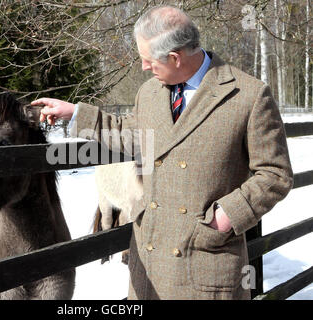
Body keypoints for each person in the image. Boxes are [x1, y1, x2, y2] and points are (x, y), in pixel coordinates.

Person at [31, 5, 293, 300]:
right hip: (150, 259)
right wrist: (75, 113)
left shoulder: (248, 95)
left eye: (148, 59)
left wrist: (227, 216)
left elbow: (275, 174)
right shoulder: (150, 92)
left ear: (175, 57)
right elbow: (130, 135)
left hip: (206, 257)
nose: (143, 67)